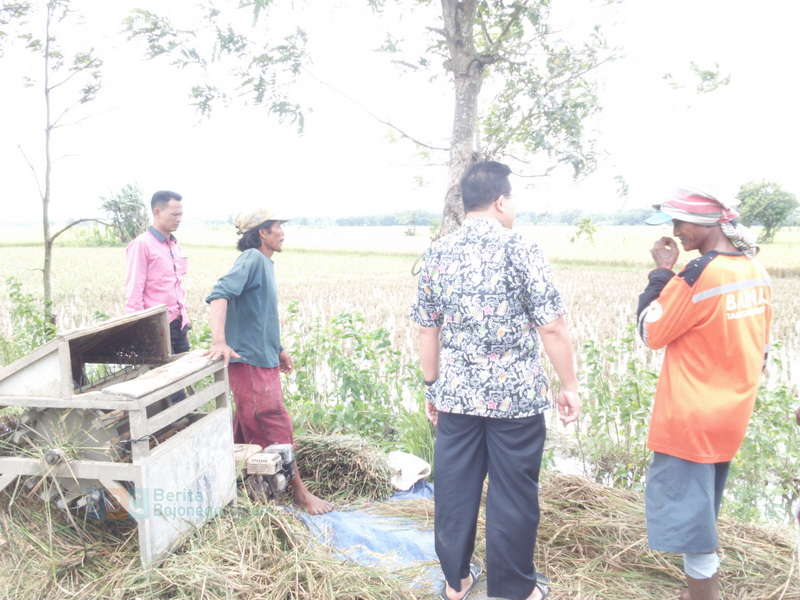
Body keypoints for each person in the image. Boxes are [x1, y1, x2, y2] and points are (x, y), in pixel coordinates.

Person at [411, 161, 580, 600]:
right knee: (513, 493)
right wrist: (569, 385)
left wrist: (432, 386)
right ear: (501, 201)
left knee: (453, 488)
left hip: (458, 398)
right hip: (516, 401)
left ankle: (457, 582)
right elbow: (553, 327)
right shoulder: (521, 248)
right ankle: (512, 591)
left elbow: (427, 329)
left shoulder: (437, 253)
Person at [637, 188, 771, 600]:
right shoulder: (755, 270)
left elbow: (651, 331)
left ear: (709, 224)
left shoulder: (699, 273)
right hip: (730, 411)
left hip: (690, 416)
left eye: (681, 223)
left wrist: (661, 273)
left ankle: (704, 593)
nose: (676, 233)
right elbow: (762, 349)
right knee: (703, 503)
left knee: (688, 514)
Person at [203, 209, 333, 515]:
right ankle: (300, 494)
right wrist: (219, 342)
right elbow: (219, 295)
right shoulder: (251, 259)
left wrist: (278, 349)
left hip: (262, 358)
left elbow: (259, 314)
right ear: (262, 232)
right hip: (248, 362)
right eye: (277, 227)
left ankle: (234, 490)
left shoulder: (264, 264)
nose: (282, 232)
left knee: (247, 425)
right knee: (273, 422)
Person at [125, 191, 191, 398]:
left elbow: (176, 285)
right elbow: (134, 288)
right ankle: (177, 424)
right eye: (173, 214)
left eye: (180, 214)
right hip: (156, 325)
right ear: (157, 212)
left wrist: (185, 318)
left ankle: (186, 420)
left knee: (185, 376)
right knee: (166, 384)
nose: (178, 219)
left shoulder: (174, 244)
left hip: (178, 322)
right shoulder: (142, 244)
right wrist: (136, 326)